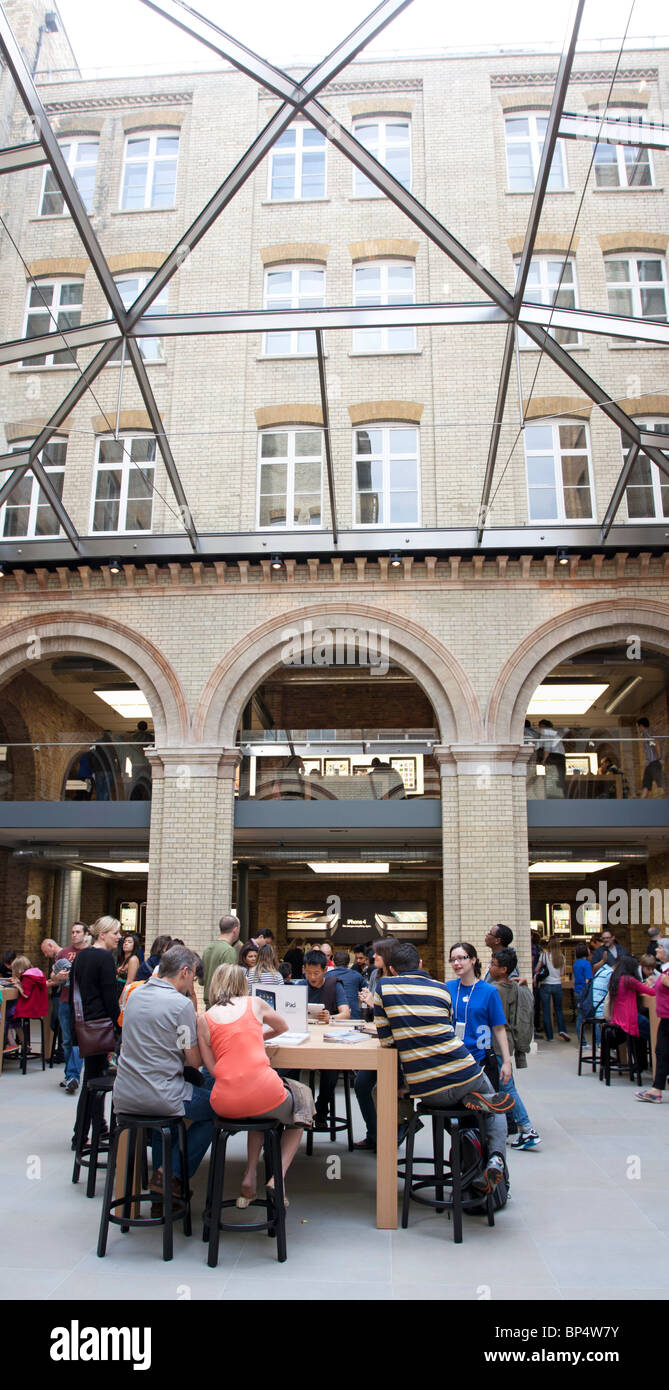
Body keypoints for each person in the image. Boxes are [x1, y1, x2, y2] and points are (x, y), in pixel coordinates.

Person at [374, 940, 513, 1191]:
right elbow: (446, 1030)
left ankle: (409, 1121)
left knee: (388, 1091)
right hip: (465, 1070)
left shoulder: (383, 987)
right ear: (420, 964)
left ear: (392, 969)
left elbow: (387, 1043)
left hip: (427, 1088)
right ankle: (495, 1157)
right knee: (495, 1103)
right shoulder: (441, 990)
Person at [198, 963, 314, 1205]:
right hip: (264, 1093)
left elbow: (212, 1068)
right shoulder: (255, 1003)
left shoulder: (204, 1018)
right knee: (301, 1106)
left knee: (256, 1115)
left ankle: (249, 1176)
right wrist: (256, 1037)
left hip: (225, 1101)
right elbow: (283, 1026)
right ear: (243, 984)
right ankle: (277, 1179)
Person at [113, 944, 216, 1191]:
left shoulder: (133, 994)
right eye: (192, 975)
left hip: (125, 1095)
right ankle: (171, 1174)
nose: (192, 981)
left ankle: (162, 1194)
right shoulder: (179, 1005)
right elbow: (194, 1061)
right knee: (219, 1109)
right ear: (184, 972)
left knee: (167, 1123)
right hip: (162, 1096)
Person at [70, 916, 122, 1150]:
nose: (119, 937)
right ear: (102, 934)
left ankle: (91, 1130)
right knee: (93, 1082)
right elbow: (110, 998)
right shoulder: (104, 958)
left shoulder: (82, 956)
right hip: (100, 1026)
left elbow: (74, 992)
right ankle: (81, 1135)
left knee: (90, 1079)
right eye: (115, 933)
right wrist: (120, 1025)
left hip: (85, 1025)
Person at [488, 948, 540, 1151]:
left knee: (507, 1087)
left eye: (493, 964)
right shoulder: (512, 986)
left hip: (499, 1044)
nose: (490, 967)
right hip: (506, 1043)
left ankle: (527, 1128)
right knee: (505, 1086)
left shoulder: (496, 990)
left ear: (503, 969)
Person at [445, 942, 514, 1095]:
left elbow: (499, 1027)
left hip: (480, 1060)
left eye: (461, 958)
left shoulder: (489, 991)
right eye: (453, 960)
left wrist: (507, 1062)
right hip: (453, 1059)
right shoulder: (447, 988)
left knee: (482, 1111)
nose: (456, 963)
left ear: (473, 960)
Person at [294, 949, 349, 1129]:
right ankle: (294, 1109)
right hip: (302, 1041)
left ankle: (321, 1109)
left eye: (316, 973)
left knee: (331, 1069)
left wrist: (331, 1018)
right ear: (303, 969)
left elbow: (346, 1013)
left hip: (327, 1041)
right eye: (308, 973)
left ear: (325, 970)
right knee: (287, 1068)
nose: (312, 977)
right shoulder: (300, 986)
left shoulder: (334, 985)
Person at [354, 941, 395, 1150]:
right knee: (361, 1085)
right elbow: (375, 1013)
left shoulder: (397, 980)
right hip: (376, 1040)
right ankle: (375, 1134)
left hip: (394, 1046)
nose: (373, 956)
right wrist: (368, 1005)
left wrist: (373, 1003)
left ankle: (389, 1134)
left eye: (378, 953)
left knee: (381, 1089)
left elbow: (395, 1016)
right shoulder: (374, 976)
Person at [53, 921, 88, 1094]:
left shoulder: (89, 953)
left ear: (85, 934)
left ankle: (73, 1075)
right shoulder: (64, 953)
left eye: (78, 932)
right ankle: (70, 1075)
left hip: (82, 1002)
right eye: (73, 932)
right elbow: (53, 975)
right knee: (67, 1040)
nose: (74, 935)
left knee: (78, 1040)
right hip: (65, 1000)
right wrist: (58, 976)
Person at [635, 938, 669, 1102]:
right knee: (661, 1052)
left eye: (660, 948)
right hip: (665, 1017)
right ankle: (657, 1090)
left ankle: (656, 1089)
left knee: (662, 1052)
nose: (657, 951)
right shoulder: (663, 971)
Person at [535, 935, 569, 1041]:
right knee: (558, 1009)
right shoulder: (562, 957)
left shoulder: (544, 956)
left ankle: (550, 1036)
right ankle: (562, 1030)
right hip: (557, 985)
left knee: (546, 1011)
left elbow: (537, 969)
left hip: (546, 985)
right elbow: (562, 973)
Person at [201, 915, 241, 1006]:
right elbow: (231, 983)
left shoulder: (207, 949)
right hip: (223, 1004)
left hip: (208, 1003)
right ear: (235, 930)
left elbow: (201, 981)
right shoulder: (229, 951)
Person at [330, 949, 365, 1019]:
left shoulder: (326, 976)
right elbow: (366, 992)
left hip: (332, 1018)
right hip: (354, 1017)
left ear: (333, 963)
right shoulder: (357, 975)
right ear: (348, 964)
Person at [536, 719, 567, 795]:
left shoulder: (546, 732)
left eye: (540, 727)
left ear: (543, 726)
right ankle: (561, 793)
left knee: (552, 776)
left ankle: (553, 794)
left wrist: (544, 759)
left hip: (553, 757)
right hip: (561, 756)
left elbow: (547, 747)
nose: (539, 729)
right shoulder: (554, 733)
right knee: (560, 776)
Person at [636, 717, 664, 798]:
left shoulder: (647, 733)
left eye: (638, 726)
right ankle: (641, 802)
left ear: (641, 726)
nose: (638, 729)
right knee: (646, 783)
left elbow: (656, 744)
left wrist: (659, 758)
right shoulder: (645, 735)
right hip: (649, 764)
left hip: (654, 762)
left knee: (660, 782)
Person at [572, 942, 593, 1038]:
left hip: (577, 990)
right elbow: (588, 980)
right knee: (587, 1017)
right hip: (584, 992)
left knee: (579, 1016)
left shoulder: (576, 964)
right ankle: (588, 1042)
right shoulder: (587, 964)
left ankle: (581, 1040)